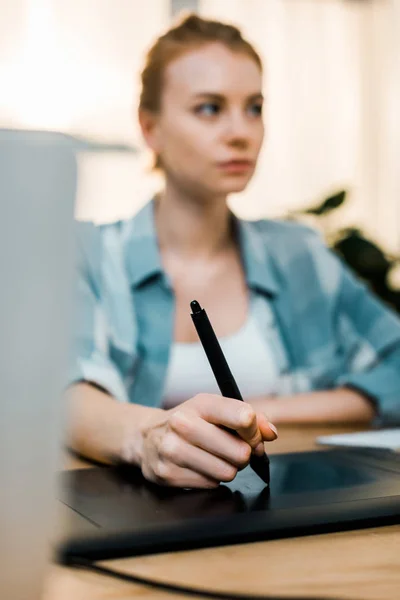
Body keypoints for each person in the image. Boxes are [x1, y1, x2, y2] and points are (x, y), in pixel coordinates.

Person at [67, 13, 400, 488]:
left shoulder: (299, 255)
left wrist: (256, 415)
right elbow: (67, 396)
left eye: (254, 107)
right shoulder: (92, 255)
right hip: (145, 514)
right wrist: (150, 436)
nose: (240, 131)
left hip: (280, 511)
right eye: (209, 108)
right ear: (150, 128)